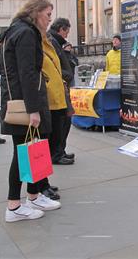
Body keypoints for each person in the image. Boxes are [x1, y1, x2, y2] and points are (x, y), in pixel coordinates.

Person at [0, 0, 60, 222]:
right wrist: (33, 109)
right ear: (36, 13)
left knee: (34, 150)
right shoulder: (25, 33)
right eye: (47, 15)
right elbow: (27, 72)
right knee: (23, 153)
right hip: (26, 102)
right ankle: (14, 207)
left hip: (21, 99)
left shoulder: (16, 31)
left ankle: (33, 197)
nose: (49, 20)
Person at [47, 18, 75, 165]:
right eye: (66, 32)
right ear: (61, 29)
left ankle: (60, 151)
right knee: (61, 123)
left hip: (62, 84)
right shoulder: (51, 40)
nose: (67, 35)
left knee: (64, 122)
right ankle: (56, 154)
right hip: (59, 86)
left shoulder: (56, 42)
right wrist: (65, 75)